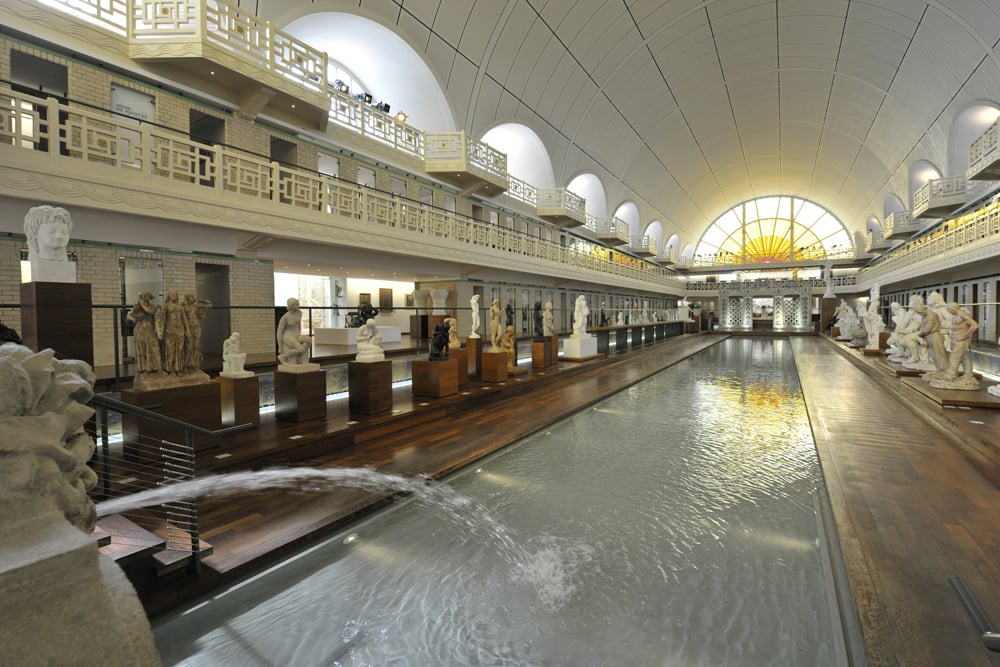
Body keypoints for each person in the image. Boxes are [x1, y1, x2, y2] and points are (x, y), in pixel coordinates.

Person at [155, 290, 188, 374]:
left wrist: (187, 330)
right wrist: (160, 331)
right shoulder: (165, 306)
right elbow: (161, 319)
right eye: (173, 294)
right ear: (169, 295)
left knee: (180, 351)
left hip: (180, 331)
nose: (174, 295)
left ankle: (178, 369)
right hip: (169, 331)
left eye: (176, 294)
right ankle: (171, 369)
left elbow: (184, 319)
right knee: (170, 351)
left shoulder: (180, 307)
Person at [128, 291, 161, 373]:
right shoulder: (137, 306)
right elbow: (129, 316)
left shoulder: (153, 306)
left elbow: (150, 312)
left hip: (150, 328)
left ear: (150, 297)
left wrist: (141, 305)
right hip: (140, 329)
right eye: (143, 296)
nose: (145, 298)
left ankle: (154, 367)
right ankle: (143, 368)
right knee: (142, 348)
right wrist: (135, 319)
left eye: (147, 296)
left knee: (153, 348)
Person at [276, 297, 312, 365]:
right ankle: (283, 357)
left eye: (298, 304)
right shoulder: (285, 317)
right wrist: (280, 346)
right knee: (301, 349)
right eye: (296, 304)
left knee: (309, 339)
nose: (298, 306)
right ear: (291, 306)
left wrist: (300, 335)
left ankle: (298, 356)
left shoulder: (299, 313)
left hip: (296, 335)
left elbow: (299, 325)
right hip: (288, 336)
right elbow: (279, 332)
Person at [183, 293, 212, 370]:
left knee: (196, 346)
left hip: (196, 327)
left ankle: (194, 363)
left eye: (193, 297)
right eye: (191, 297)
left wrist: (204, 301)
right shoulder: (184, 307)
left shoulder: (196, 306)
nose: (193, 299)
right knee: (188, 346)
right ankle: (186, 363)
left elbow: (209, 306)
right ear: (187, 298)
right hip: (188, 328)